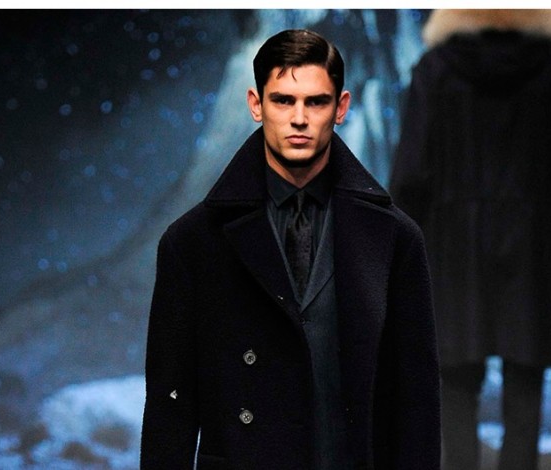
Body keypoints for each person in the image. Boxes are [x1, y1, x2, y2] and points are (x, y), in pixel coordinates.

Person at [140, 29, 441, 470]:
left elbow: (416, 403)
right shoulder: (192, 244)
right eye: (283, 100)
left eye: (315, 102)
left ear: (341, 108)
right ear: (255, 104)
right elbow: (170, 407)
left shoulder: (395, 240)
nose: (299, 118)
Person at [388, 9, 551, 470]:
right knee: (525, 386)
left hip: (452, 252)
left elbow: (409, 176)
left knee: (456, 386)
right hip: (537, 250)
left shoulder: (436, 69)